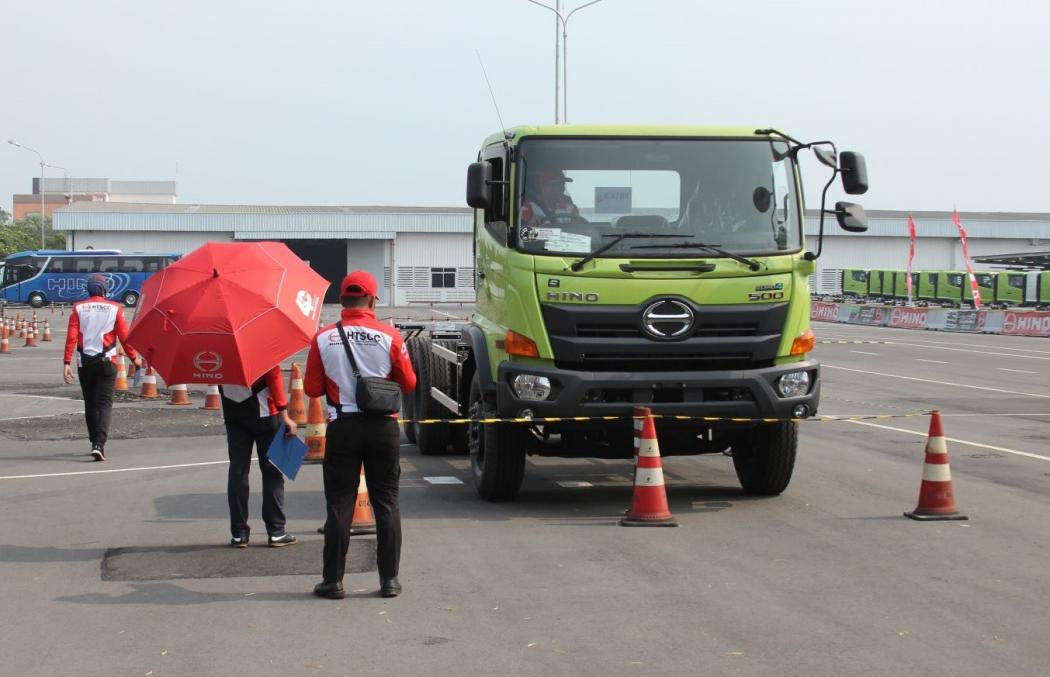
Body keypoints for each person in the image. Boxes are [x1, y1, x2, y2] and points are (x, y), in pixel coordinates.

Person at [305, 270, 416, 600]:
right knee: (387, 502)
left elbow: (311, 388)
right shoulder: (390, 336)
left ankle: (333, 581)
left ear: (342, 299)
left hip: (343, 425)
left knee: (340, 502)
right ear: (371, 300)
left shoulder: (323, 338)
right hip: (383, 427)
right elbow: (409, 383)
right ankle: (389, 580)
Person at [220, 366, 299, 548]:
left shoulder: (220, 351)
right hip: (265, 412)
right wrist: (285, 415)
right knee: (272, 472)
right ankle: (276, 531)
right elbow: (274, 376)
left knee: (238, 471)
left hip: (232, 412)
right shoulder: (259, 349)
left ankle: (239, 534)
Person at [63, 276, 140, 461]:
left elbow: (72, 337)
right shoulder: (115, 308)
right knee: (104, 404)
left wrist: (66, 362)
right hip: (107, 362)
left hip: (85, 363)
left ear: (88, 290)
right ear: (105, 290)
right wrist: (134, 358)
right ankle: (99, 444)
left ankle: (93, 441)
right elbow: (124, 336)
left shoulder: (78, 308)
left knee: (90, 403)